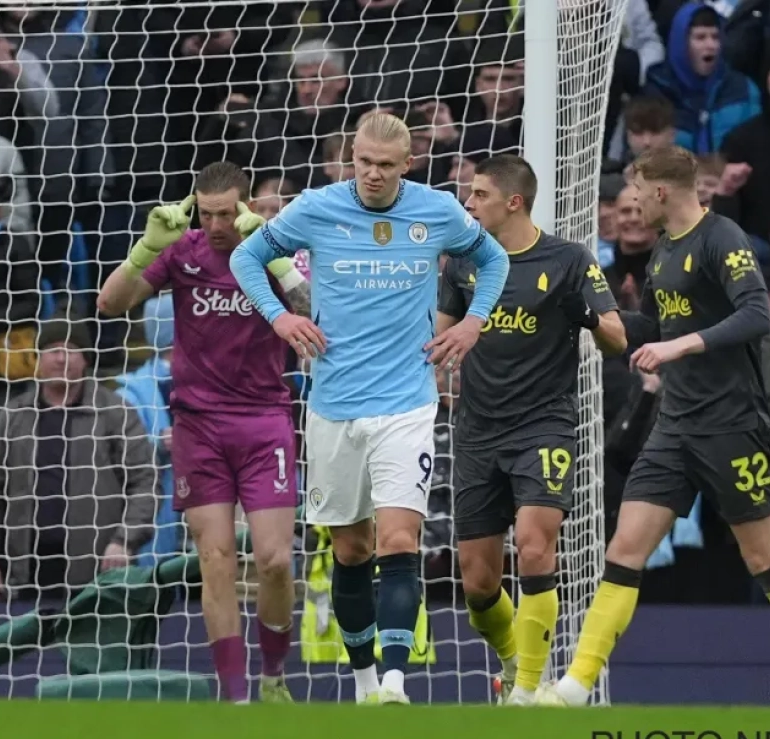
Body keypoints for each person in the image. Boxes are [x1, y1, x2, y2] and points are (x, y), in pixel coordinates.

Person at [230, 113, 510, 705]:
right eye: (363, 162)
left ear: (408, 164)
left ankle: (394, 681)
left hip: (407, 402)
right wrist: (280, 316)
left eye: (386, 165)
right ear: (348, 158)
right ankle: (362, 685)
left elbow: (496, 261)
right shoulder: (317, 207)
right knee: (350, 549)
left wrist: (473, 324)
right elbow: (245, 259)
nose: (373, 175)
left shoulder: (436, 211)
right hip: (332, 404)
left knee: (399, 540)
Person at [539, 145, 770, 706]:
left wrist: (676, 348)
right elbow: (650, 326)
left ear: (662, 191)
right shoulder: (664, 252)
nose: (633, 202)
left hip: (730, 425)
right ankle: (576, 685)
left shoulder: (722, 238)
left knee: (762, 559)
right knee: (624, 549)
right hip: (674, 429)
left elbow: (759, 311)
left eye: (638, 191)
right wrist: (593, 317)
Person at [96, 161, 308, 704]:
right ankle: (235, 694)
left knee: (275, 561)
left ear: (245, 208)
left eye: (225, 213)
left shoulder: (271, 246)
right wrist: (144, 250)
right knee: (214, 560)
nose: (214, 225)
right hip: (198, 425)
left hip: (264, 420)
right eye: (205, 213)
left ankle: (275, 675)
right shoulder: (181, 248)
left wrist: (278, 260)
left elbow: (315, 312)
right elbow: (110, 303)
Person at [437, 154, 626, 705]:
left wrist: (587, 315)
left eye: (478, 195)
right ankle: (514, 659)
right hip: (476, 430)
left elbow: (616, 337)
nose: (468, 205)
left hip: (543, 426)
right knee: (477, 583)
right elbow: (440, 341)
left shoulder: (568, 260)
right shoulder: (464, 265)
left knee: (536, 547)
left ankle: (523, 695)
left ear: (512, 201)